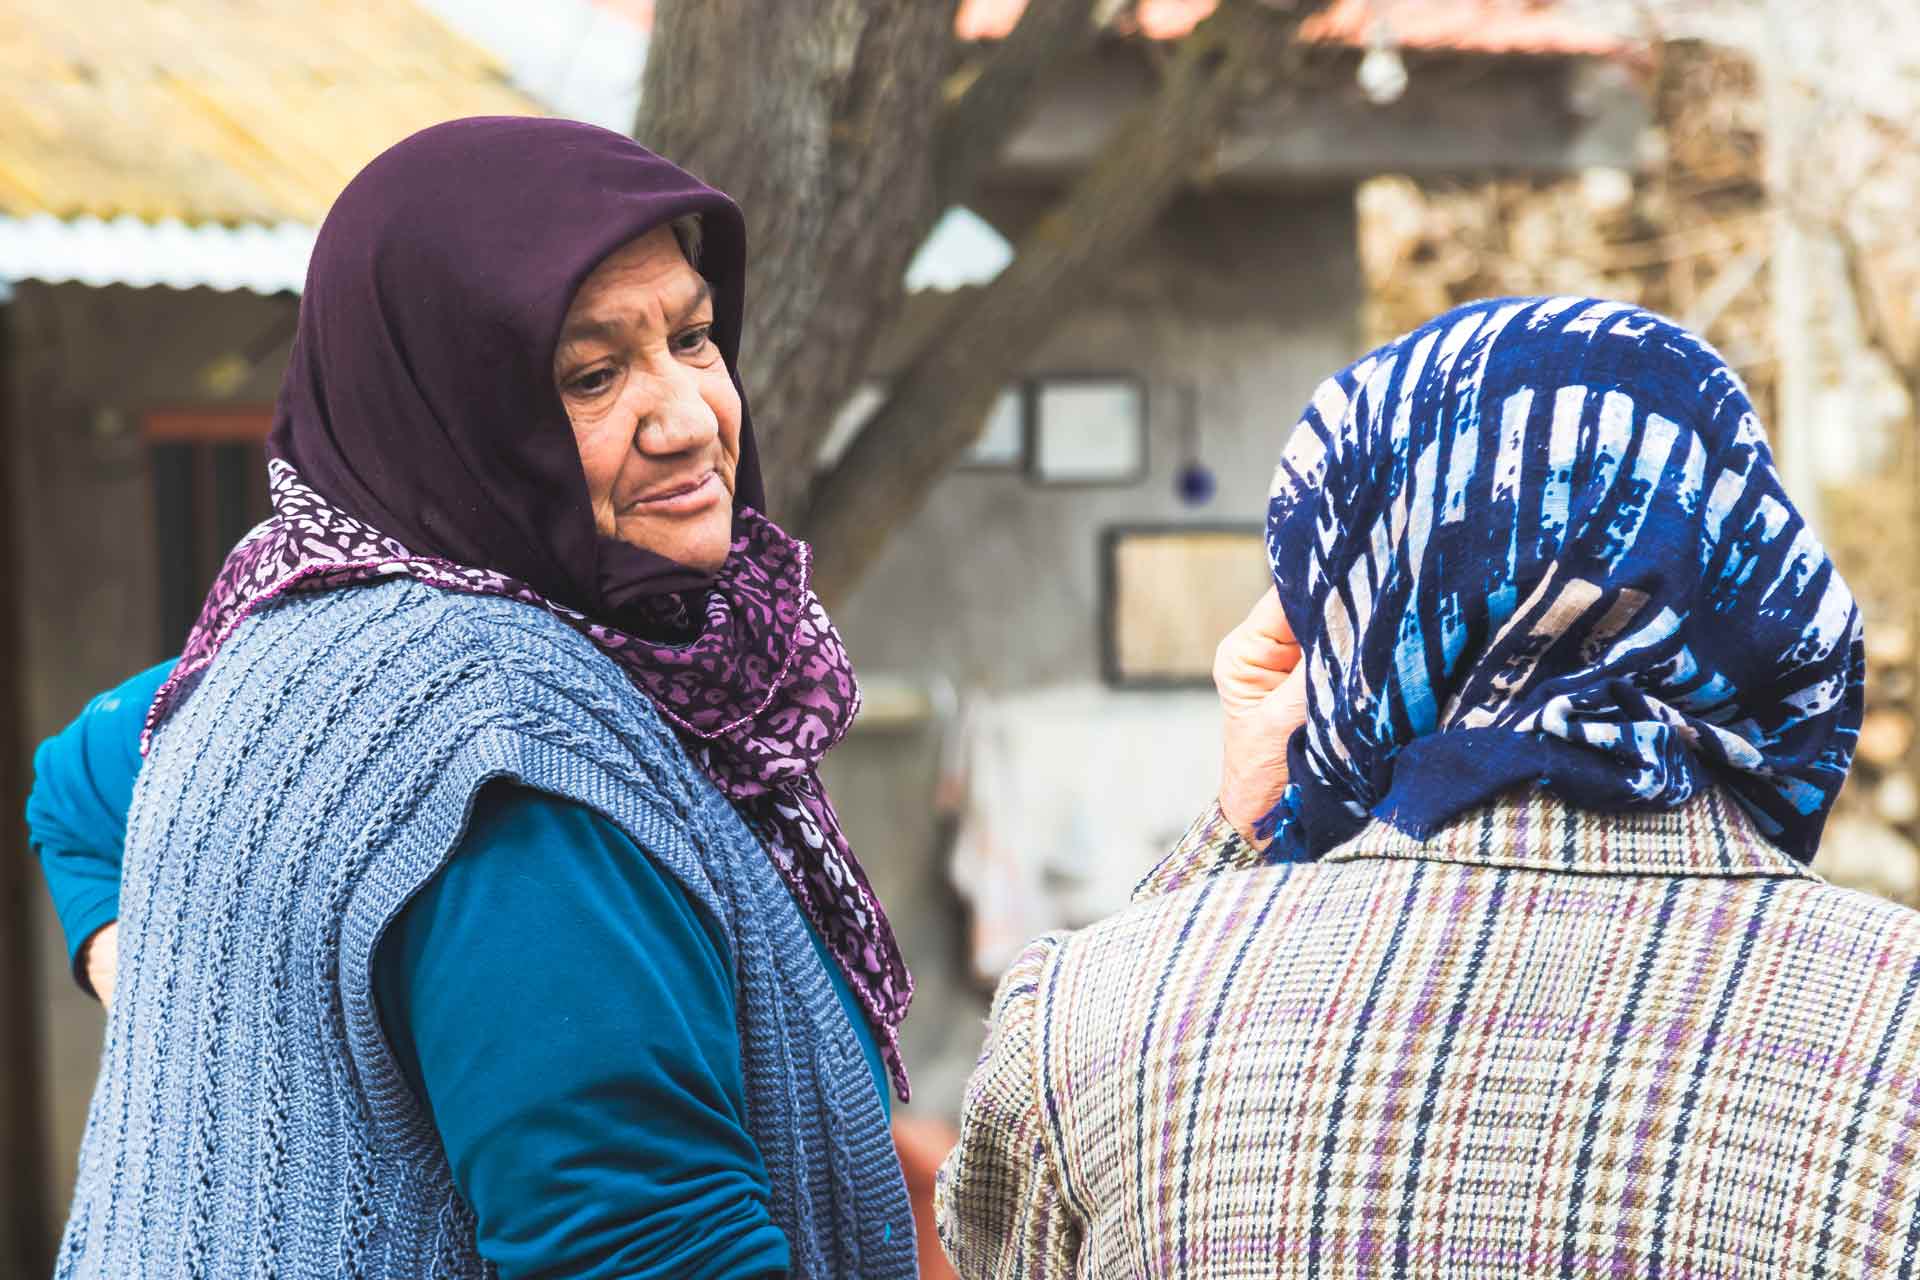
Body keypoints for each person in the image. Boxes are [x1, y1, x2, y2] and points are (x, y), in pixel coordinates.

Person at [34, 116, 918, 1280]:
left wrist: (210, 1021)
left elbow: (80, 777)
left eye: (694, 338)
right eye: (593, 374)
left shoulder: (301, 621)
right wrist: (190, 1001)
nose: (691, 418)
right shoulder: (506, 747)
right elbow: (648, 1248)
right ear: (451, 409)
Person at [935, 297, 1920, 1278]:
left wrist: (1245, 821)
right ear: (1748, 570)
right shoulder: (1898, 1024)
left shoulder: (1098, 1019)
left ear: (1356, 589)